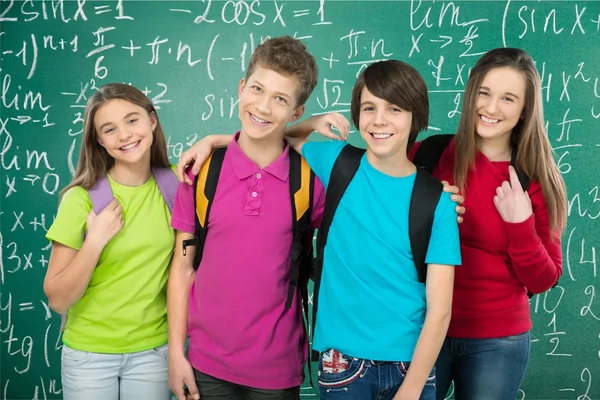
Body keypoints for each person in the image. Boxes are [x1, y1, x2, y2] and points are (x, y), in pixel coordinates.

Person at [178, 60, 462, 400]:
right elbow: (266, 135)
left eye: (395, 109)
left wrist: (412, 390)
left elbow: (440, 309)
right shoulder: (335, 161)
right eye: (369, 108)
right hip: (342, 364)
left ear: (416, 117)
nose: (380, 120)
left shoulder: (438, 202)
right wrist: (217, 140)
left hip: (410, 362)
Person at [166, 36, 324, 400]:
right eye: (257, 89)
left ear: (296, 112)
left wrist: (436, 194)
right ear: (241, 87)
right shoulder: (202, 172)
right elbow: (182, 268)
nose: (263, 107)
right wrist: (176, 354)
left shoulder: (309, 181)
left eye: (281, 99)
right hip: (206, 363)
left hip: (278, 368)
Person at [409, 48, 567, 400]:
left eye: (508, 99)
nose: (491, 108)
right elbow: (368, 187)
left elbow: (545, 278)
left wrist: (521, 225)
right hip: (420, 329)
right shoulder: (430, 155)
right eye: (484, 93)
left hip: (498, 342)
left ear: (525, 109)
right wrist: (425, 206)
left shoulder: (536, 179)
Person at [44, 83, 177, 400]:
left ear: (152, 121)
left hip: (153, 352)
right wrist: (95, 241)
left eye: (132, 120)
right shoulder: (81, 200)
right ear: (99, 141)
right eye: (109, 129)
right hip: (90, 356)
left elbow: (247, 150)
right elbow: (58, 300)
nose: (125, 135)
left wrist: (213, 140)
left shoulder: (177, 185)